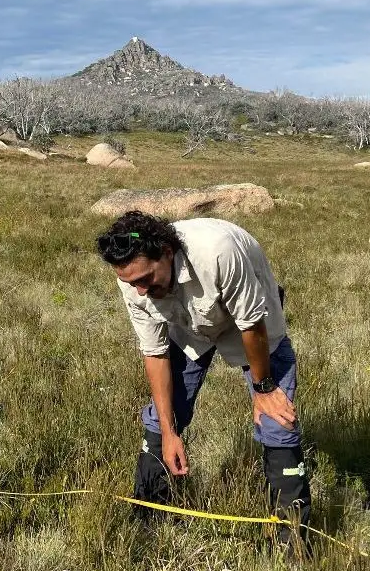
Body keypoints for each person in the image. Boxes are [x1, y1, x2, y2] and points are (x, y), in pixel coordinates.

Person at [96, 210, 311, 555]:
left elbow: (251, 324)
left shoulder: (218, 252)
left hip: (253, 324)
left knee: (277, 421)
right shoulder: (136, 282)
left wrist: (264, 388)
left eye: (147, 278)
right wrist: (169, 432)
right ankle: (151, 513)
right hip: (190, 325)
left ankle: (291, 543)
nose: (140, 290)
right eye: (131, 282)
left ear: (166, 252)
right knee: (161, 416)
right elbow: (155, 353)